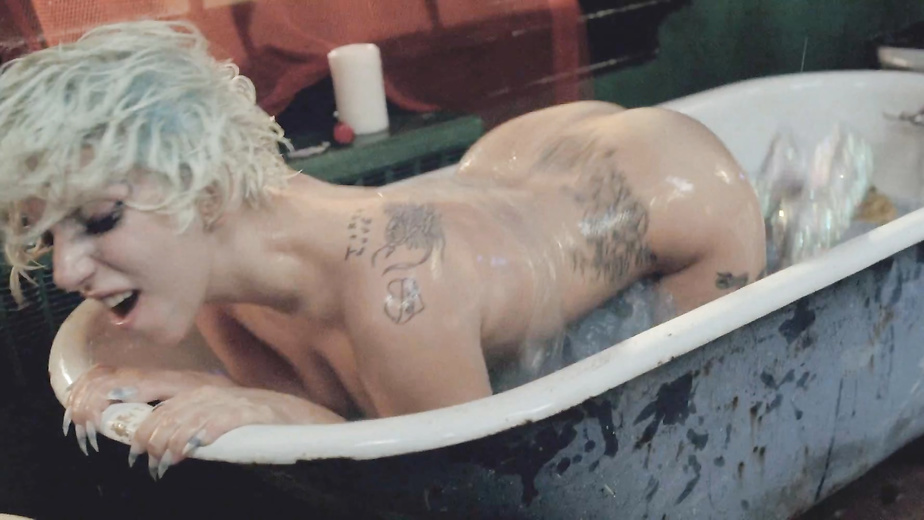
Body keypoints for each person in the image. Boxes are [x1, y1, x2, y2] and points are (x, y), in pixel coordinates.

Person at [0, 21, 765, 477]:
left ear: (201, 188)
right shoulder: (217, 288)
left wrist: (274, 412)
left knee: (672, 420)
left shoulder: (399, 292)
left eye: (99, 219)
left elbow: (471, 485)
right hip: (515, 166)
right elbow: (340, 420)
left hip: (677, 192)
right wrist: (227, 398)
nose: (65, 270)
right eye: (49, 234)